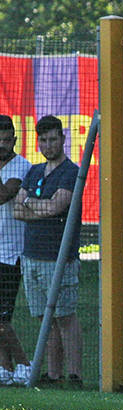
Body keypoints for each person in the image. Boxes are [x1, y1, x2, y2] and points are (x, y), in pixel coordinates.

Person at [12, 116, 82, 389]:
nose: (48, 145)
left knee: (65, 316)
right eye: (43, 140)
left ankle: (75, 375)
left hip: (59, 258)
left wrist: (30, 203)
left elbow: (57, 207)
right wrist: (37, 205)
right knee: (44, 318)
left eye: (53, 139)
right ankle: (54, 375)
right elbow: (18, 211)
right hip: (32, 255)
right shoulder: (34, 171)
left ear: (63, 139)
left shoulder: (71, 172)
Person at [0, 115, 31, 386]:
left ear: (15, 140)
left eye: (6, 140)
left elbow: (3, 195)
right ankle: (4, 368)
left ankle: (24, 364)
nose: (2, 144)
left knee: (2, 317)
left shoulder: (22, 167)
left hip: (11, 253)